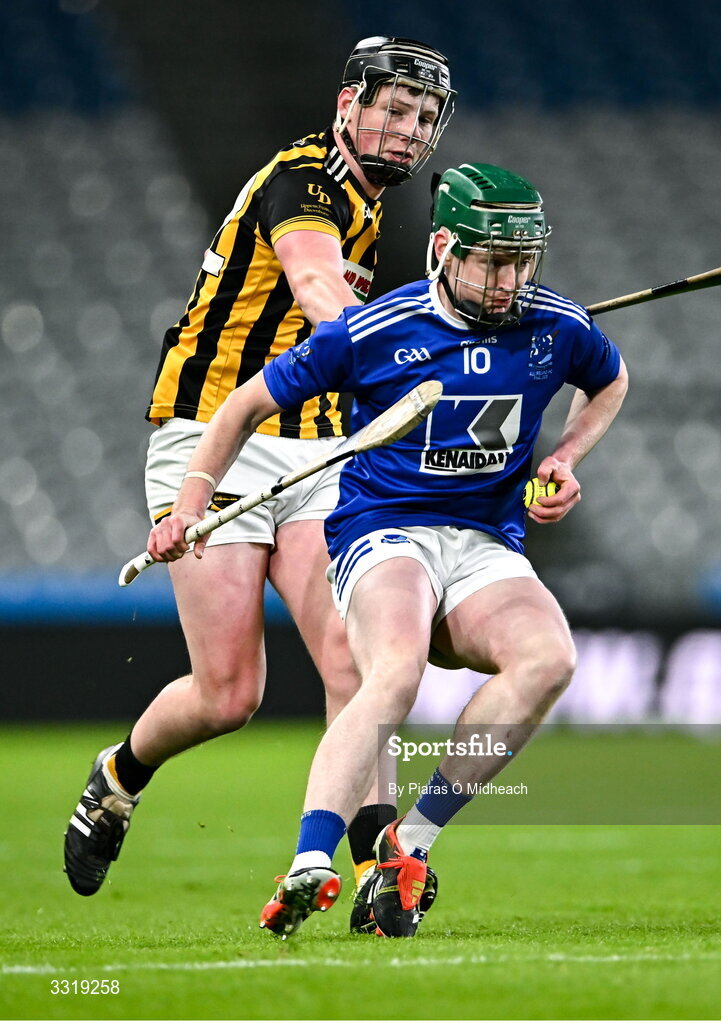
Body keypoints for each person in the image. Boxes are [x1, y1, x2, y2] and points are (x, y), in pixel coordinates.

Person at [146, 162, 629, 938]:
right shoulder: (375, 331)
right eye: (491, 261)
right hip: (384, 530)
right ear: (443, 246)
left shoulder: (556, 325)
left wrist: (565, 456)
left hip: (483, 541)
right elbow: (241, 404)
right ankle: (311, 858)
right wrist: (191, 503)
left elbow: (610, 379)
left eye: (522, 261)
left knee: (550, 659)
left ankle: (410, 844)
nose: (509, 281)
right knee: (393, 669)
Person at [63, 36, 455, 902]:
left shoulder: (373, 205)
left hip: (316, 447)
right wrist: (406, 346)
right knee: (229, 692)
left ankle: (376, 859)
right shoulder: (306, 179)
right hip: (211, 433)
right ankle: (119, 777)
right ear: (348, 105)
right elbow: (318, 287)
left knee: (357, 662)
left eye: (423, 117)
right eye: (392, 108)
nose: (406, 128)